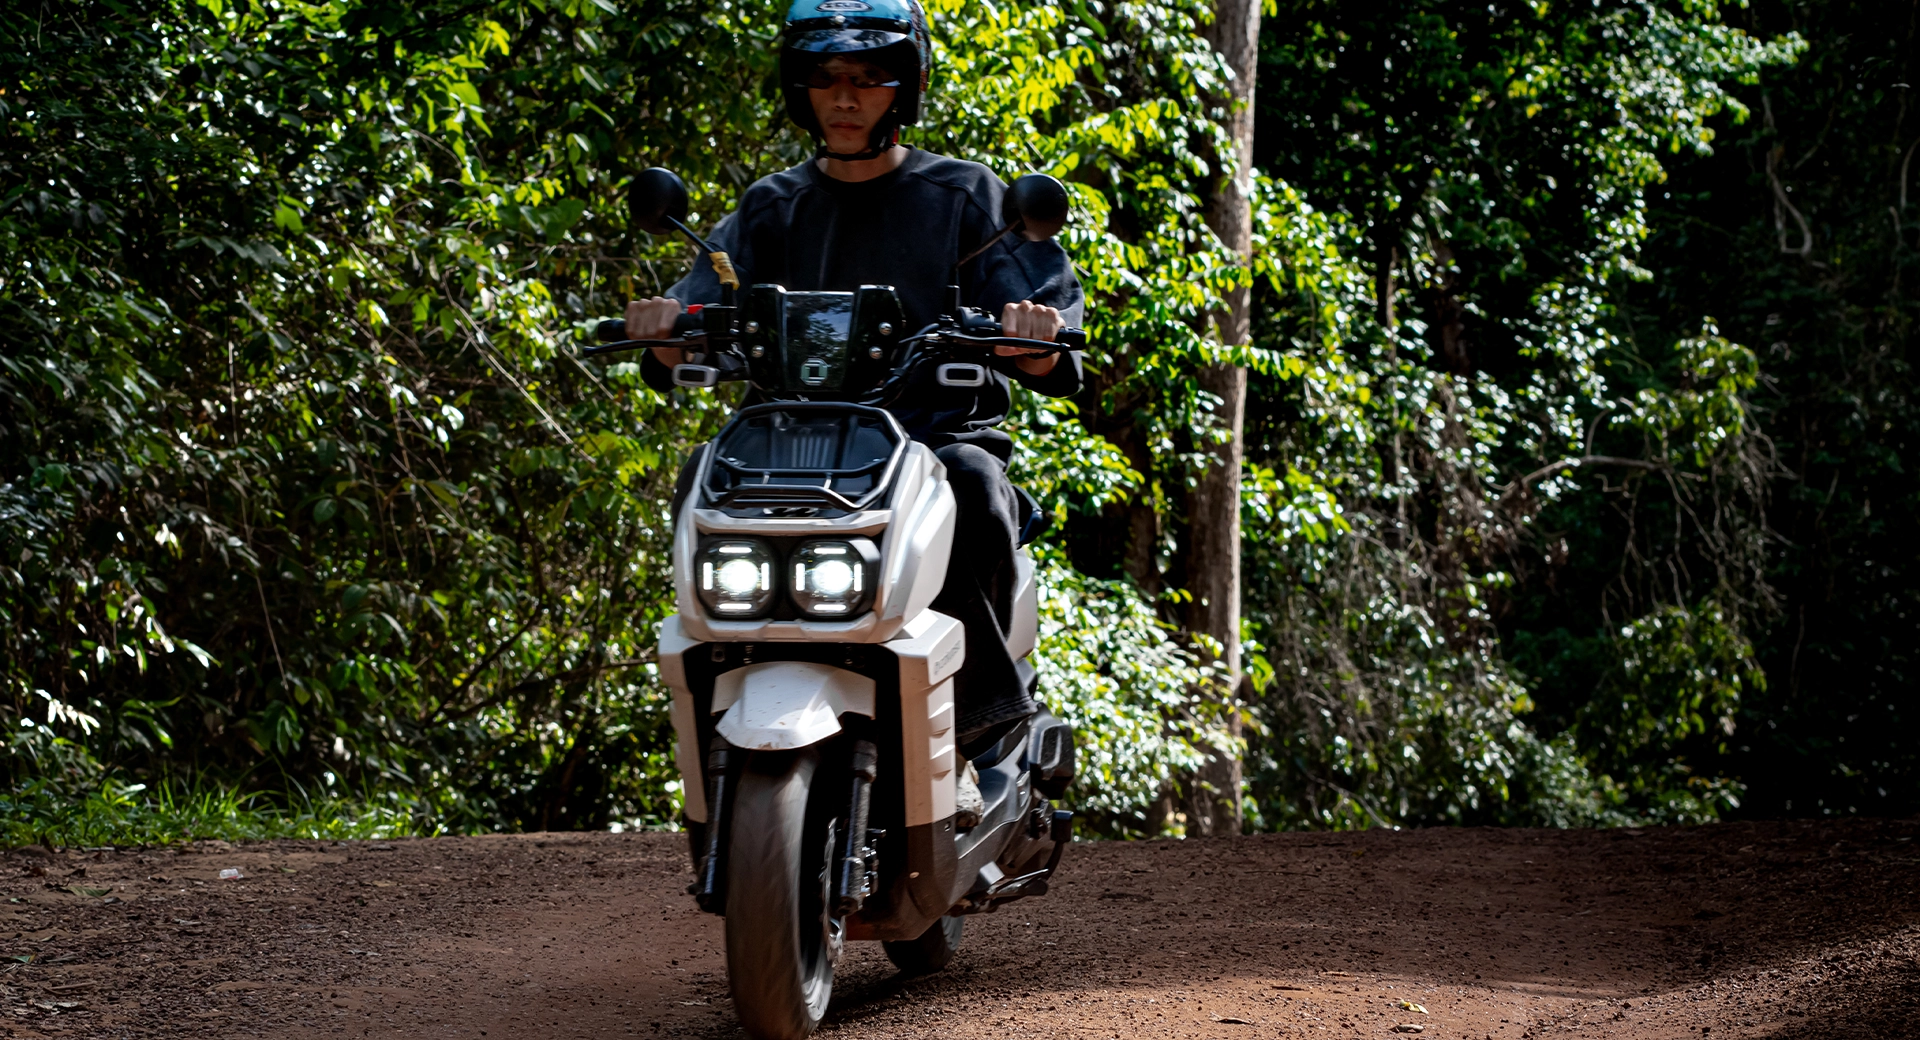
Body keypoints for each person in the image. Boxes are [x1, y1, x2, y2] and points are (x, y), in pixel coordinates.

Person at [626, 0, 1083, 812]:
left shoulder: (966, 196)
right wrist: (664, 327)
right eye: (827, 79)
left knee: (975, 483)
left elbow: (1041, 332)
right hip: (794, 446)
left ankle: (983, 726)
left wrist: (1031, 333)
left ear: (902, 91)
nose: (845, 98)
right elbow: (693, 310)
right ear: (799, 90)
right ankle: (726, 687)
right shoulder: (772, 206)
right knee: (703, 471)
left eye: (869, 79)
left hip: (932, 438)